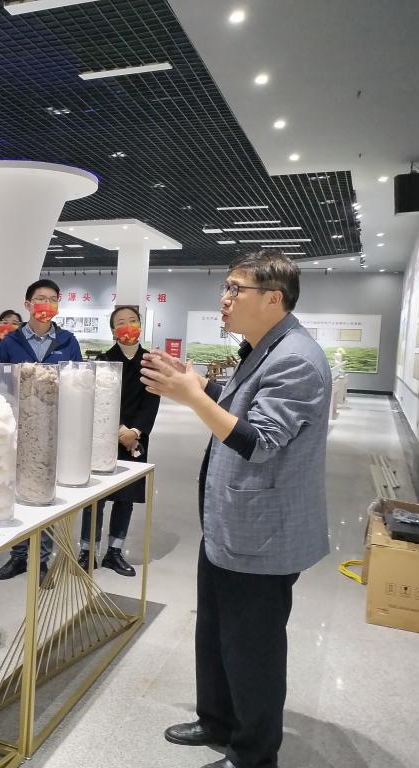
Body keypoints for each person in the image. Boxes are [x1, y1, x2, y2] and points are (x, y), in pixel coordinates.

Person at [140, 250, 331, 768]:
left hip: (262, 536)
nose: (224, 299)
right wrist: (201, 386)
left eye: (235, 290)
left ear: (273, 298)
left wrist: (193, 397)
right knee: (216, 632)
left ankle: (253, 755)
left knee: (253, 650)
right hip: (230, 525)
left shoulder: (296, 358)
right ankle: (218, 720)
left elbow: (260, 441)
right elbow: (243, 399)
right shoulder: (264, 347)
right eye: (224, 288)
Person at [0, 279, 83, 581]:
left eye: (52, 299)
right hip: (18, 429)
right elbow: (0, 385)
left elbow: (76, 382)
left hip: (53, 429)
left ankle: (42, 557)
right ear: (27, 304)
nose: (46, 304)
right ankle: (19, 554)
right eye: (40, 299)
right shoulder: (10, 342)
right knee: (17, 489)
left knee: (45, 491)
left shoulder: (68, 341)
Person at [77, 305, 160, 576]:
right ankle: (87, 551)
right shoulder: (103, 360)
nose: (127, 326)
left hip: (135, 440)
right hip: (104, 435)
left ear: (140, 326)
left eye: (132, 321)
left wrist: (135, 432)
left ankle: (114, 552)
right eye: (121, 322)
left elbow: (151, 401)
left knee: (126, 497)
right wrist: (119, 428)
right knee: (96, 497)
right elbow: (97, 399)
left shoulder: (150, 362)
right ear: (113, 330)